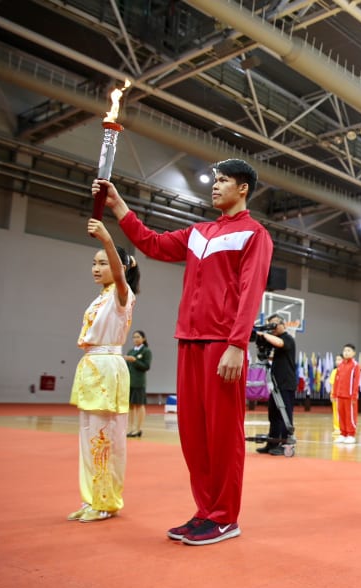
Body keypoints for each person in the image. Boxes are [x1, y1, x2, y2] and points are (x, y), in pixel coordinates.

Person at [93, 158, 273, 546]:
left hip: (222, 345)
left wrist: (237, 344)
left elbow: (250, 292)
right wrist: (118, 206)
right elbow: (152, 244)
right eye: (214, 179)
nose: (215, 185)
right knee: (194, 435)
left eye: (223, 180)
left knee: (223, 435)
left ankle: (226, 517)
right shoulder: (199, 233)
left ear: (243, 189)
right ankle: (205, 511)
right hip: (188, 342)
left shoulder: (254, 234)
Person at [68, 219, 139, 523]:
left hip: (108, 366)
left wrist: (107, 238)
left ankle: (106, 501)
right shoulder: (99, 296)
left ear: (118, 267)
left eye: (103, 263)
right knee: (88, 436)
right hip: (90, 365)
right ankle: (91, 498)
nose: (96, 268)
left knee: (104, 438)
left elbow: (120, 272)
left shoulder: (122, 296)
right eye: (93, 263)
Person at [254, 314, 296, 456]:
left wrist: (263, 334)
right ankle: (272, 443)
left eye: (273, 325)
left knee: (285, 414)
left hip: (286, 383)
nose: (271, 328)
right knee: (274, 414)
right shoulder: (274, 339)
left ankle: (285, 444)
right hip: (275, 383)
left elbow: (279, 343)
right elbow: (268, 347)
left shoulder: (288, 338)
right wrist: (259, 337)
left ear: (282, 324)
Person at [124, 330, 151, 438]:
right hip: (129, 382)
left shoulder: (146, 351)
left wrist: (135, 360)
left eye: (138, 337)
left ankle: (138, 428)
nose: (135, 339)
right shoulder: (130, 351)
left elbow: (146, 366)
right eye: (134, 337)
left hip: (139, 382)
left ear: (143, 338)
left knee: (139, 405)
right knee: (130, 406)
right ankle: (131, 428)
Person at [334, 343, 361, 443]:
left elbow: (356, 381)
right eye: (345, 350)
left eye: (349, 350)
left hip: (349, 396)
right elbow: (337, 380)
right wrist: (334, 394)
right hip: (340, 395)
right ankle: (343, 433)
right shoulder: (340, 365)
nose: (346, 352)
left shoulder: (355, 365)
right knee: (341, 415)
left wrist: (354, 395)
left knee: (350, 415)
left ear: (354, 353)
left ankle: (351, 434)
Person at [328, 355, 343, 436]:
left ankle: (343, 428)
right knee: (335, 412)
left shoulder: (346, 371)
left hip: (343, 395)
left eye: (340, 359)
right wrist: (332, 394)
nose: (337, 361)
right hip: (335, 395)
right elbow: (332, 384)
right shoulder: (334, 371)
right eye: (336, 359)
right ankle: (337, 428)